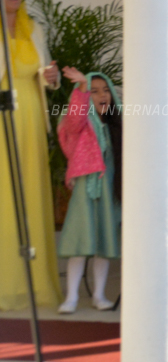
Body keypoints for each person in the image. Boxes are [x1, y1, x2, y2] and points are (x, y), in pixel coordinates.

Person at [0, 0, 62, 311]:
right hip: (2, 120)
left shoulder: (34, 29)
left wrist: (49, 76)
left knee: (31, 197)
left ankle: (34, 285)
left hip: (31, 121)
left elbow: (43, 74)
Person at [55, 68, 122, 313]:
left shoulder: (116, 125)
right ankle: (71, 297)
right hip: (85, 189)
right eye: (94, 92)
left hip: (109, 192)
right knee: (80, 241)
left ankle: (99, 295)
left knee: (104, 242)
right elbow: (74, 119)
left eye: (106, 90)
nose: (102, 95)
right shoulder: (81, 125)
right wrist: (82, 88)